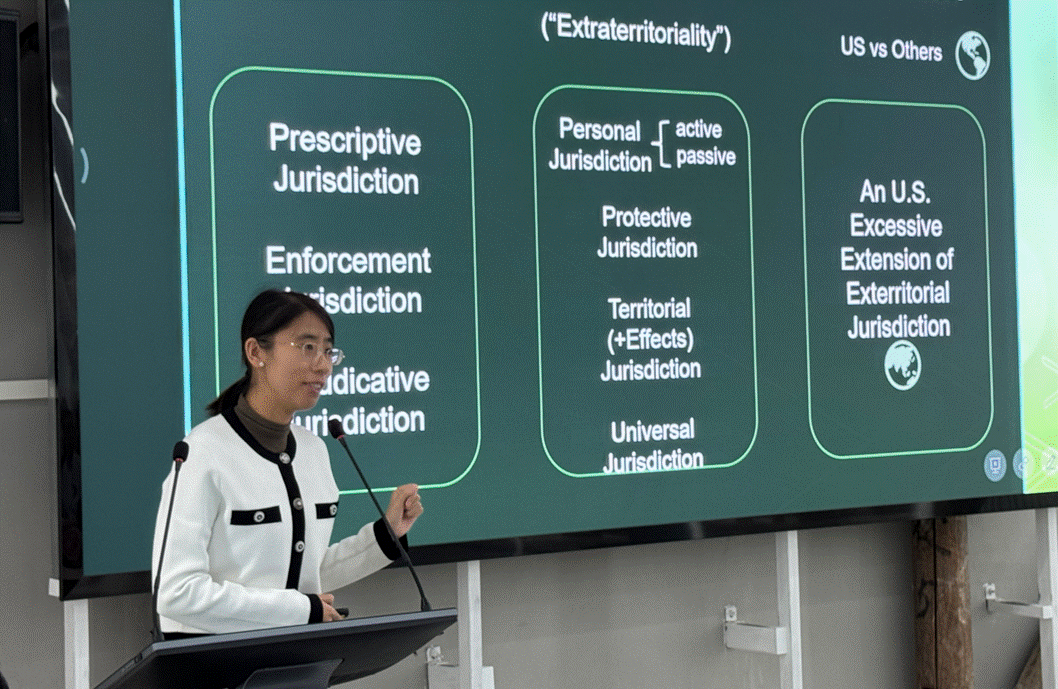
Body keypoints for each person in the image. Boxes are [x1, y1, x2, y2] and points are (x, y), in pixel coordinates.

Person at [152, 289, 422, 636]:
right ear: (256, 352)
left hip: (294, 653)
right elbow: (175, 593)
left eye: (328, 351)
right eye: (307, 347)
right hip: (213, 659)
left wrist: (386, 535)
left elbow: (303, 573)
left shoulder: (314, 451)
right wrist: (300, 610)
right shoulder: (203, 453)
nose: (323, 366)